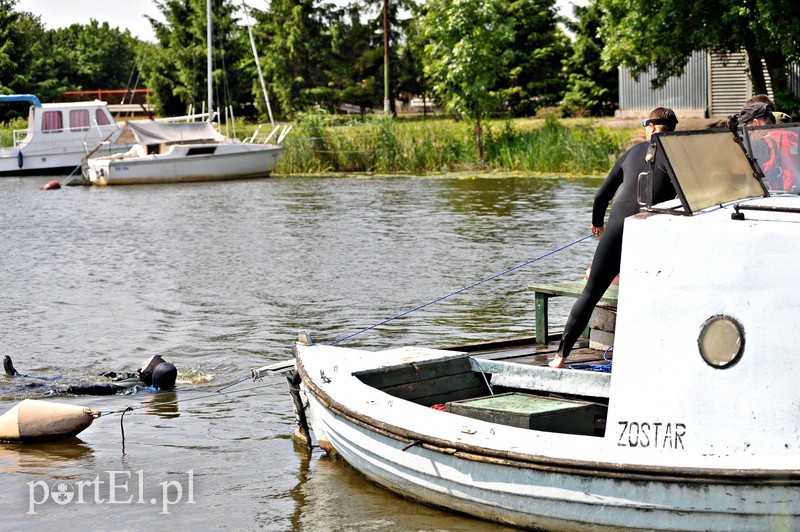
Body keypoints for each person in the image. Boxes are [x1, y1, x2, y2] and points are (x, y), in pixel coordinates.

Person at [549, 107, 678, 369]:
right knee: (657, 293)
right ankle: (654, 357)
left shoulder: (632, 152)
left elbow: (601, 196)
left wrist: (598, 224)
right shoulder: (678, 153)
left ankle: (559, 357)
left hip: (618, 226)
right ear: (672, 129)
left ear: (650, 127)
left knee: (591, 292)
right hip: (651, 228)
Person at [3, 354, 177, 395]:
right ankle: (19, 376)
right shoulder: (148, 382)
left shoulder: (137, 387)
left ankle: (20, 381)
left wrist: (70, 390)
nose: (143, 365)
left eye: (146, 364)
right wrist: (116, 373)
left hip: (85, 389)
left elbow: (101, 389)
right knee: (60, 378)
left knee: (51, 385)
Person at [736, 101, 798, 192]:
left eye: (747, 127)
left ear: (756, 123)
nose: (747, 134)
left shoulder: (759, 145)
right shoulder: (795, 137)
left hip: (773, 197)